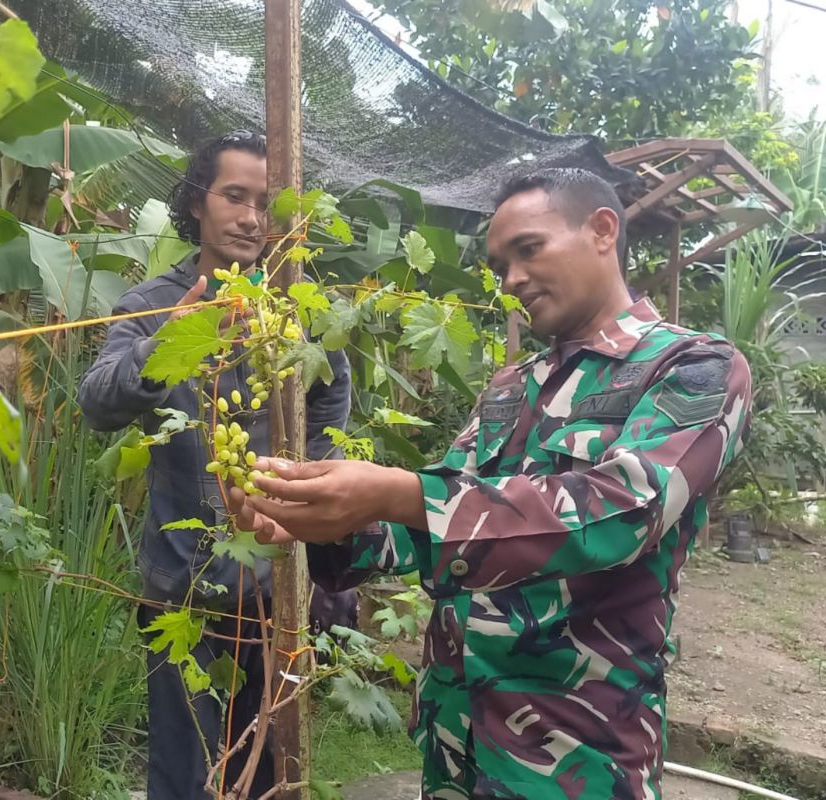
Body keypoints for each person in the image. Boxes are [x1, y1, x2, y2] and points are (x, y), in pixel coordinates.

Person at [228, 168, 753, 800]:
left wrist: (398, 492)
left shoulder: (693, 367)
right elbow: (434, 525)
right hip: (457, 738)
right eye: (502, 265)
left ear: (602, 230)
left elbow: (620, 514)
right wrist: (324, 520)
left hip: (575, 754)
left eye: (528, 249)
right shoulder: (511, 387)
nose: (513, 281)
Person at [76, 130, 354, 799]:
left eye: (264, 202)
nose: (251, 216)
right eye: (235, 195)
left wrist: (312, 473)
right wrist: (174, 337)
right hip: (184, 590)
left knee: (271, 768)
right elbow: (97, 403)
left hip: (279, 586)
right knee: (184, 775)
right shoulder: (148, 307)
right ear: (198, 201)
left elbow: (331, 386)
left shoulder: (295, 306)